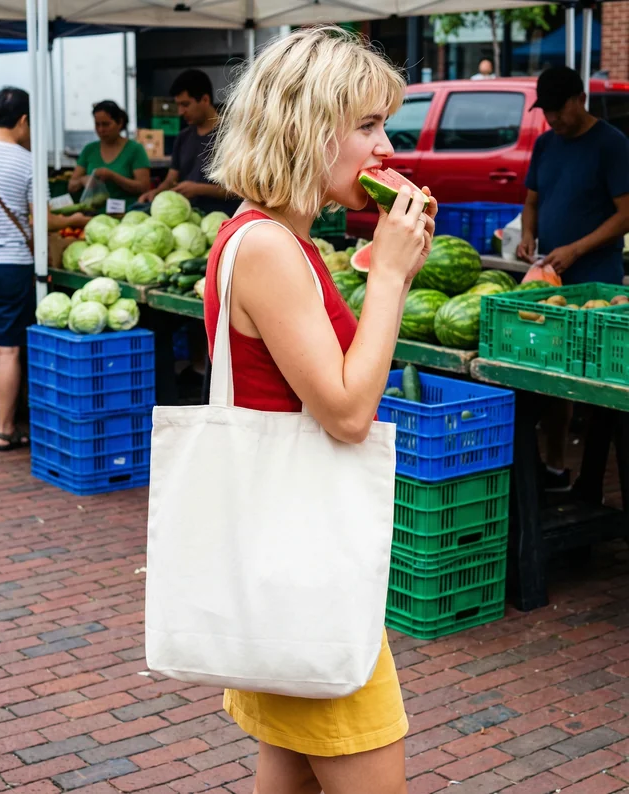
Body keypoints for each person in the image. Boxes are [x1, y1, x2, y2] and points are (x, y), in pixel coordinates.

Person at [203, 27, 436, 794]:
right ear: (307, 126)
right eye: (368, 125)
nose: (385, 146)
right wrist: (393, 278)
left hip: (285, 569)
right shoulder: (270, 246)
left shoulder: (270, 237)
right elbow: (345, 412)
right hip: (311, 578)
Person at [517, 66, 629, 492]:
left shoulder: (612, 145)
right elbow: (531, 202)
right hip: (551, 280)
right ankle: (557, 468)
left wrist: (577, 249)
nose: (551, 120)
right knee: (551, 380)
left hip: (598, 282)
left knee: (594, 383)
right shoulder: (546, 145)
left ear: (578, 100)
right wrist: (528, 235)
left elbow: (626, 213)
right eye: (545, 111)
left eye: (557, 110)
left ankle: (595, 479)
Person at [0, 87, 87, 451]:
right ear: (24, 120)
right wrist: (77, 217)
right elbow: (42, 221)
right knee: (7, 351)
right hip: (11, 265)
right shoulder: (26, 162)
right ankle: (5, 429)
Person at [139, 69, 239, 217]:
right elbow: (171, 179)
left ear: (205, 100)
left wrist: (199, 189)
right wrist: (155, 192)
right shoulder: (183, 137)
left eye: (185, 104)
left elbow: (240, 190)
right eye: (178, 105)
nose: (180, 112)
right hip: (189, 217)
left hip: (224, 219)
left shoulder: (232, 136)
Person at [69, 100, 151, 209]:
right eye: (97, 124)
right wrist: (83, 180)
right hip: (92, 213)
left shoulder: (135, 149)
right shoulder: (89, 150)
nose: (101, 129)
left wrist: (113, 177)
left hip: (126, 212)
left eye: (106, 124)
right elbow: (71, 186)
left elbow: (144, 187)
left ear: (119, 122)